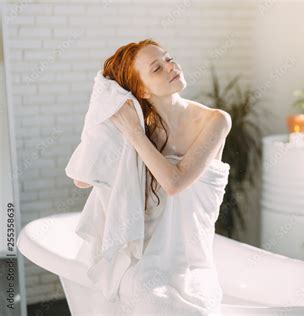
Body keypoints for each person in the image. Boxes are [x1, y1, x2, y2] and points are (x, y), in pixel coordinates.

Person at [77, 38, 232, 315]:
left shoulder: (215, 121)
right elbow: (83, 178)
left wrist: (134, 134)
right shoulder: (143, 131)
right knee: (151, 301)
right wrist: (103, 105)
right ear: (142, 91)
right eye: (157, 68)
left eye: (169, 59)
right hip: (145, 261)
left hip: (191, 264)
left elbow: (175, 182)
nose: (171, 67)